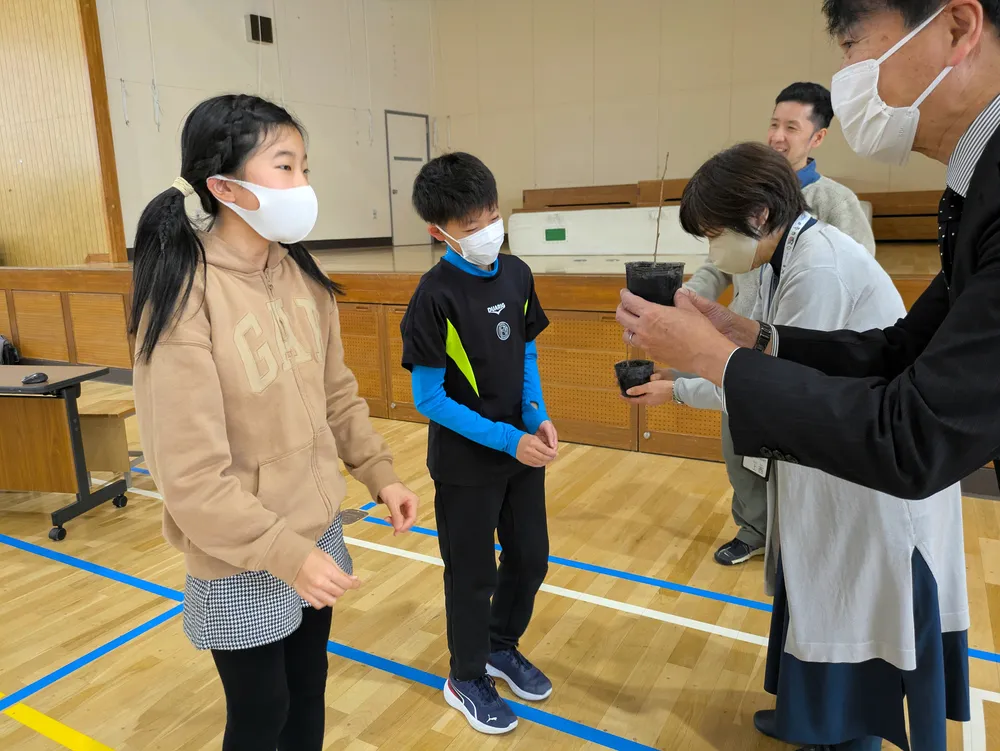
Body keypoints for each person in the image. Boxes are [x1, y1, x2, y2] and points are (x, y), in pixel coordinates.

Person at [627, 142, 969, 751]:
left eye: (712, 234)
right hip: (830, 455)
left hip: (862, 470)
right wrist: (726, 344)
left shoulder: (818, 266)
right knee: (813, 592)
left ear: (757, 214)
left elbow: (774, 388)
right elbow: (763, 356)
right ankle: (810, 720)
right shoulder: (781, 259)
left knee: (850, 608)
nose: (712, 252)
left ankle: (844, 731)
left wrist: (689, 376)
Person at [617, 0, 1000, 497]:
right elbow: (899, 350)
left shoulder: (825, 253)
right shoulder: (970, 194)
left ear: (957, 28)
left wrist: (715, 359)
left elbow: (913, 437)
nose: (846, 75)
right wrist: (752, 335)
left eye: (852, 48)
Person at [130, 94, 419, 751]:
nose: (304, 185)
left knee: (308, 687)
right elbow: (191, 479)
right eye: (285, 166)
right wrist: (286, 554)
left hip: (316, 533)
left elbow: (337, 394)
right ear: (224, 185)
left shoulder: (301, 277)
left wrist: (380, 473)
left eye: (305, 167)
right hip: (242, 554)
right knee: (262, 714)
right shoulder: (184, 296)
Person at [685, 81, 876, 567]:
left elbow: (848, 284)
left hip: (803, 354)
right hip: (751, 347)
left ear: (818, 137)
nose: (778, 136)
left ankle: (799, 541)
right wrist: (689, 299)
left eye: (792, 127)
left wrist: (678, 386)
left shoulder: (832, 211)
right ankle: (754, 529)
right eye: (773, 124)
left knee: (791, 454)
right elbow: (720, 265)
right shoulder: (744, 203)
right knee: (740, 446)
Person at [400, 152, 558, 735]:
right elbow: (429, 398)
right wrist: (504, 439)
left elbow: (528, 351)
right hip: (469, 463)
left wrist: (535, 416)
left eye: (491, 214)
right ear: (438, 232)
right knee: (471, 574)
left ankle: (499, 644)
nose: (487, 229)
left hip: (523, 450)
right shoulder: (433, 295)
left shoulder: (516, 274)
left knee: (530, 556)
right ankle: (466, 675)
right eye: (470, 225)